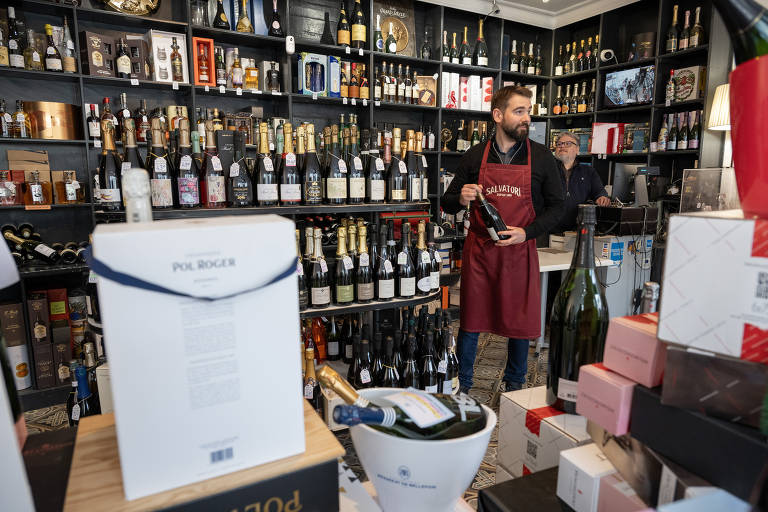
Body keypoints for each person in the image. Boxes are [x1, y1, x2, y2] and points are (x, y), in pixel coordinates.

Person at [441, 86, 565, 393]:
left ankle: (514, 386)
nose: (527, 118)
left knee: (519, 324)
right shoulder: (474, 156)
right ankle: (464, 386)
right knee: (471, 322)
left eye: (528, 112)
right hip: (480, 251)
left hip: (519, 251)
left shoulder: (542, 157)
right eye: (519, 112)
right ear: (498, 115)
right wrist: (462, 197)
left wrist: (528, 232)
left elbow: (559, 207)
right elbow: (446, 202)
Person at [552, 131, 610, 233]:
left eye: (568, 144)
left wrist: (602, 197)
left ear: (577, 149)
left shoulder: (588, 171)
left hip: (577, 229)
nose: (562, 146)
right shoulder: (548, 169)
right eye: (559, 144)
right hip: (549, 228)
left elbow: (599, 192)